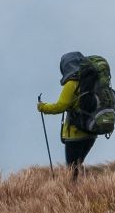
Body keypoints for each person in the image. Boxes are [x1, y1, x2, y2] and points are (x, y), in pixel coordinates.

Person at [38, 51, 97, 179]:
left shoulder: (72, 84)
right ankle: (87, 189)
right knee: (78, 165)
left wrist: (42, 107)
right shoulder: (92, 81)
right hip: (92, 131)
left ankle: (73, 194)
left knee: (72, 170)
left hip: (75, 134)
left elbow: (60, 106)